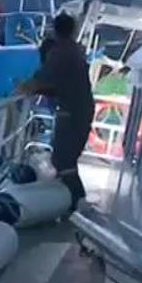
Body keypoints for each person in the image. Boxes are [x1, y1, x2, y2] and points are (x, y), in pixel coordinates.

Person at [17, 13, 94, 209]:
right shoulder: (74, 52)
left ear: (55, 29)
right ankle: (73, 201)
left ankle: (77, 201)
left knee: (63, 159)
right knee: (66, 158)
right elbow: (60, 83)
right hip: (80, 109)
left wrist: (24, 88)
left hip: (72, 112)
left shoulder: (61, 53)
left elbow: (41, 79)